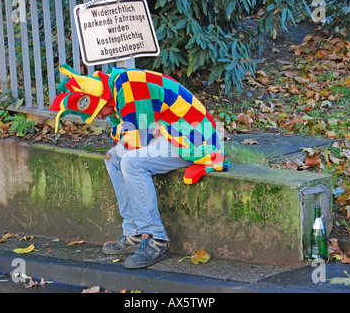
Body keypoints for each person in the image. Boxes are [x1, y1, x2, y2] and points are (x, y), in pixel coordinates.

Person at [50, 64, 229, 269]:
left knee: (131, 162)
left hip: (195, 138)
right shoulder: (118, 87)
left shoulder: (128, 88)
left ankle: (155, 239)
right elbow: (133, 133)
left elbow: (137, 139)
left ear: (101, 99)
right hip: (171, 131)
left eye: (97, 112)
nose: (99, 117)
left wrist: (144, 134)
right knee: (113, 158)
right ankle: (133, 233)